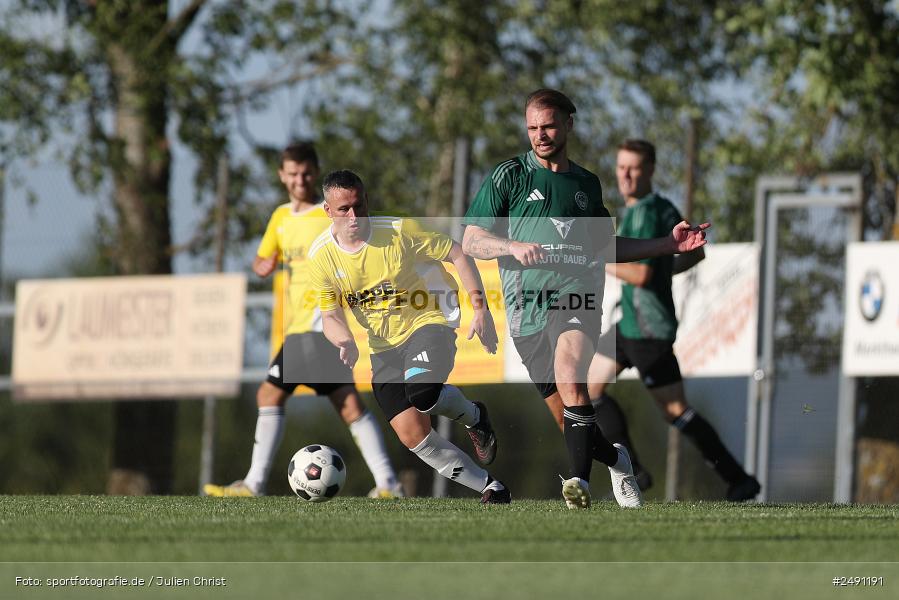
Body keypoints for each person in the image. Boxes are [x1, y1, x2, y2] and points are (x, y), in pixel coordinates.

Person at [462, 89, 709, 509]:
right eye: (532, 128)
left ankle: (578, 483)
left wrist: (667, 244)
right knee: (568, 418)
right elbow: (471, 240)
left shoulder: (586, 184)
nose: (540, 135)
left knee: (571, 376)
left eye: (548, 126)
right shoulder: (509, 176)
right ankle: (618, 460)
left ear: (569, 125)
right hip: (526, 311)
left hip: (576, 295)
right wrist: (509, 246)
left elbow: (604, 246)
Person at [204, 143, 402, 498]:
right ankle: (388, 483)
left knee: (269, 393)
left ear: (315, 173)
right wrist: (262, 264)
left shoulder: (330, 215)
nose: (300, 180)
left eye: (307, 173)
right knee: (348, 404)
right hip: (301, 326)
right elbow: (263, 259)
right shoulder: (280, 217)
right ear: (282, 176)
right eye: (293, 174)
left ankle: (253, 484)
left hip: (317, 324)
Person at [307, 169, 510, 504]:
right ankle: (491, 488)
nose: (354, 216)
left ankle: (475, 416)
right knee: (413, 435)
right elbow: (330, 315)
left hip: (429, 322)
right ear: (328, 211)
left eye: (359, 206)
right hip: (383, 346)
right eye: (344, 210)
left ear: (366, 200)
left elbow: (457, 253)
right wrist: (345, 340)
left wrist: (480, 309)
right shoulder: (321, 256)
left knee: (422, 393)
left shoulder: (399, 231)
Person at [578, 139, 761, 502]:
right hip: (631, 324)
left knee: (675, 410)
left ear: (650, 170)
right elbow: (695, 253)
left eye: (633, 168)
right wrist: (662, 271)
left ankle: (738, 479)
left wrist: (595, 260)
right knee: (587, 388)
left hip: (648, 329)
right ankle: (633, 470)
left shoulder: (646, 212)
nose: (625, 175)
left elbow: (642, 275)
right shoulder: (662, 207)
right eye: (621, 167)